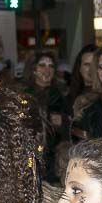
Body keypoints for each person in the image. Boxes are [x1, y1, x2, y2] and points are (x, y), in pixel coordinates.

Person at [24, 51, 70, 181]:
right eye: (42, 65)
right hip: (30, 155)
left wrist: (63, 121)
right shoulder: (24, 95)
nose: (47, 69)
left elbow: (72, 123)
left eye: (51, 66)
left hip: (55, 156)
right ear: (33, 69)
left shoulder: (62, 94)